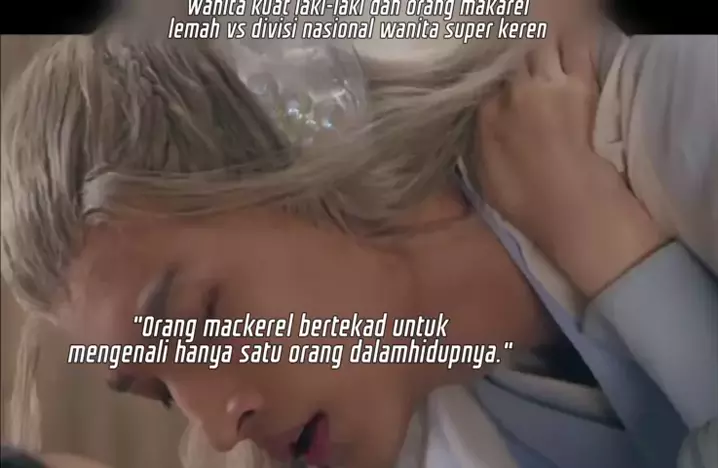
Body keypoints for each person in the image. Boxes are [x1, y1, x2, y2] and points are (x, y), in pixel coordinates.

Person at [1, 22, 716, 468]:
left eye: (203, 321)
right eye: (162, 390)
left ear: (304, 158)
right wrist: (627, 270)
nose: (220, 427)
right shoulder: (432, 438)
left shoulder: (666, 119)